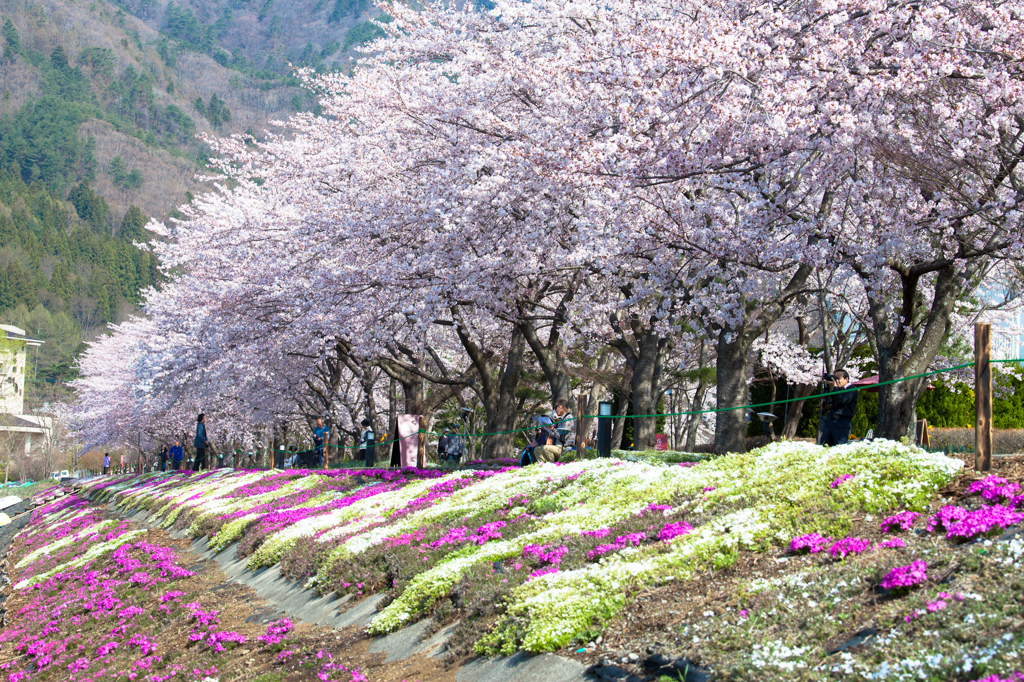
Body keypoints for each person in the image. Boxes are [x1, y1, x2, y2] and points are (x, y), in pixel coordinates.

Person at [821, 370, 858, 446]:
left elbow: (842, 401)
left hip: (842, 422)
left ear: (846, 379)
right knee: (823, 445)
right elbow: (828, 402)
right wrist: (827, 387)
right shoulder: (838, 389)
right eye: (835, 379)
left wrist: (835, 388)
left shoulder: (852, 389)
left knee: (840, 447)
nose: (837, 381)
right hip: (830, 421)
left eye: (839, 379)